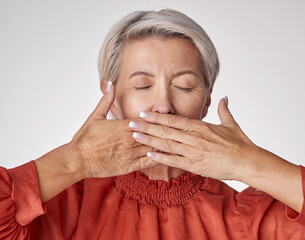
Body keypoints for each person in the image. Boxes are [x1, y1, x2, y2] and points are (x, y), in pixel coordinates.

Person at [0, 8, 304, 240]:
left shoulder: (242, 217)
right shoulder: (71, 202)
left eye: (184, 86)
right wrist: (74, 161)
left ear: (206, 101)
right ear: (113, 99)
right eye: (143, 85)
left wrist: (246, 163)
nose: (164, 106)